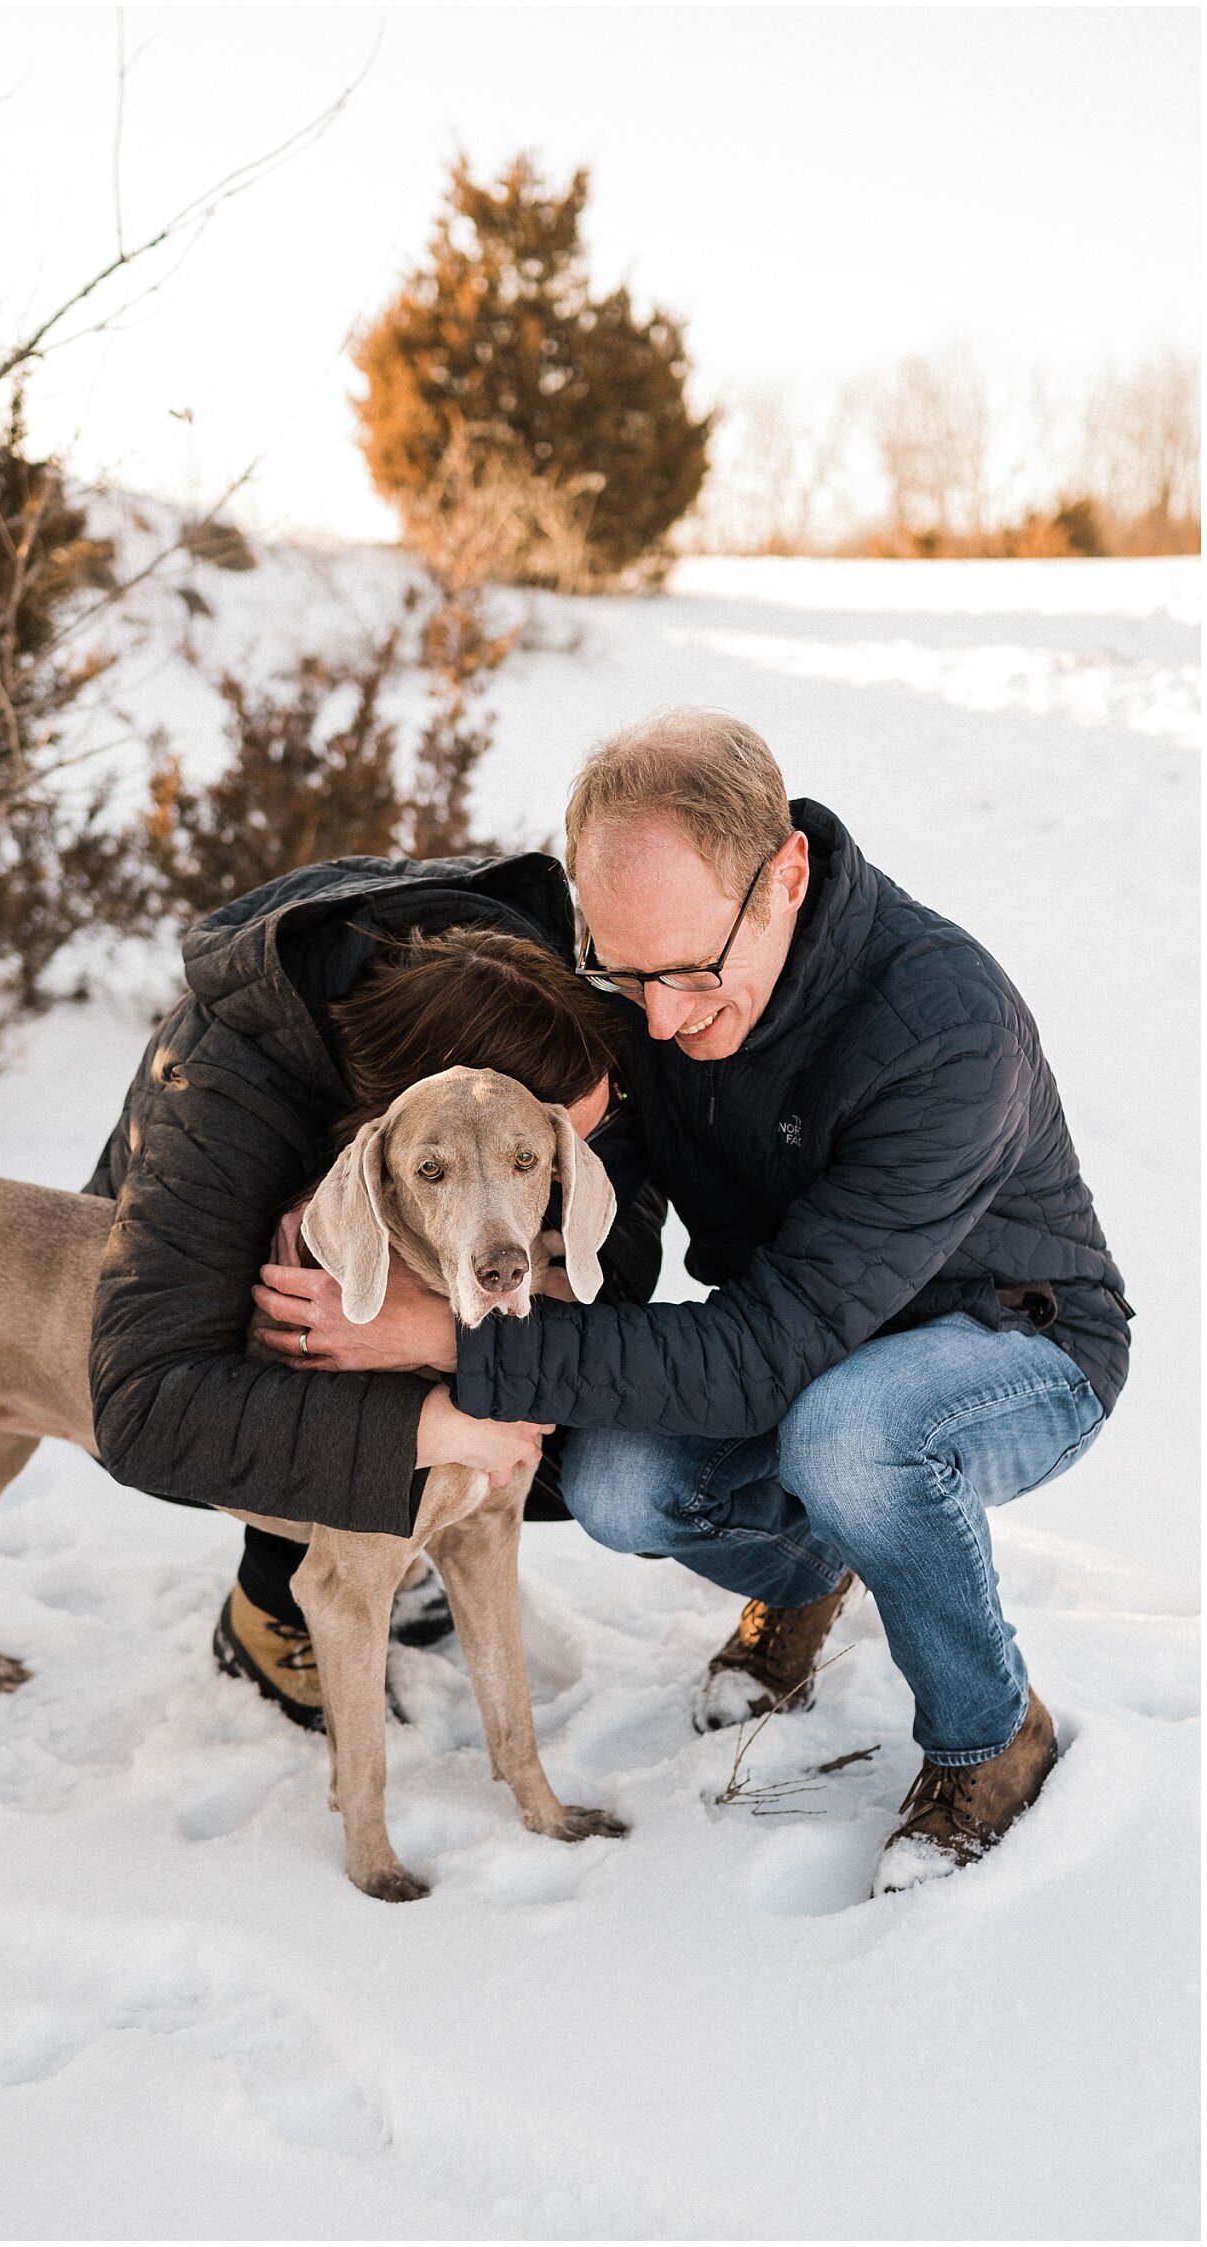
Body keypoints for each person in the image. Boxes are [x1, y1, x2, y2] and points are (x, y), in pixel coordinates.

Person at [256, 711, 1132, 1894]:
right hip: (811, 1344)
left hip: (1011, 1343)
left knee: (858, 1438)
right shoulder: (654, 985)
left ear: (783, 879)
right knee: (620, 1479)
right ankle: (814, 1578)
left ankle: (991, 1736)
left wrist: (442, 1339)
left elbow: (764, 1357)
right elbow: (608, 1234)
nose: (656, 1019)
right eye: (624, 973)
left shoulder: (943, 1031)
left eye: (686, 975)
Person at [83, 854, 664, 1728]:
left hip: (430, 1244)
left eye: (556, 1148)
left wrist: (450, 1332)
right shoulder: (225, 1086)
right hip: (240, 1286)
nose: (591, 1142)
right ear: (423, 1117)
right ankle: (275, 1599)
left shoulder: (567, 1032)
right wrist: (421, 1424)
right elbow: (145, 1405)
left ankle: (413, 1536)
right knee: (305, 1315)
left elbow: (619, 1243)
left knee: (571, 1398)